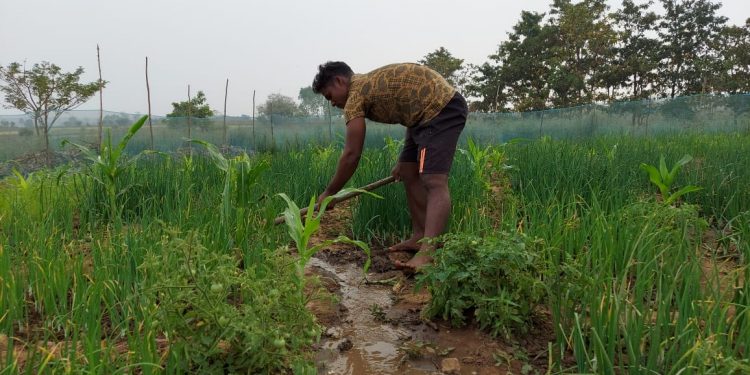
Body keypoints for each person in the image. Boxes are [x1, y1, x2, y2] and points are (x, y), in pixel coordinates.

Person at [312, 61, 468, 271]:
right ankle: (420, 237)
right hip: (419, 118)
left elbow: (352, 153)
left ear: (340, 81)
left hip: (441, 109)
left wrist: (330, 192)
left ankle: (428, 253)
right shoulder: (364, 85)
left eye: (329, 96)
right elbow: (410, 104)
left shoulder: (355, 96)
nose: (332, 103)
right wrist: (405, 161)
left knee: (433, 180)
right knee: (407, 170)